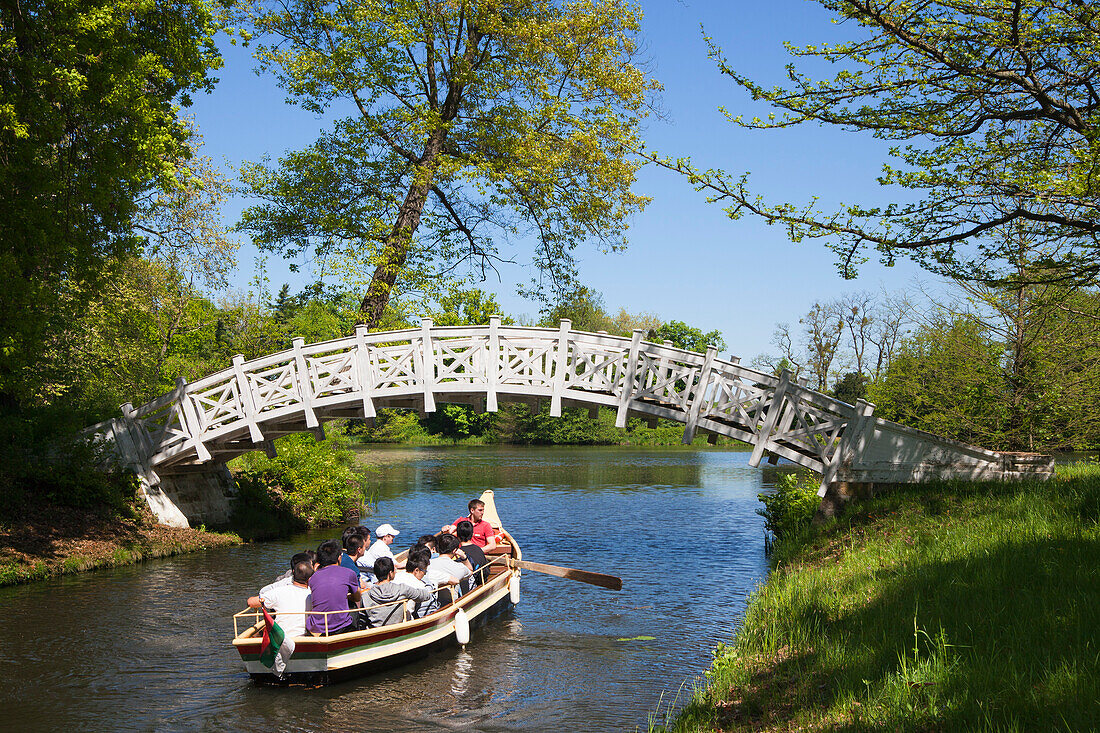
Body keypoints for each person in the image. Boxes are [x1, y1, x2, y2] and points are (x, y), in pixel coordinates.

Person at [307, 539, 363, 636]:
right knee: (354, 606)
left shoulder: (313, 578)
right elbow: (357, 597)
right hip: (341, 627)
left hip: (318, 627)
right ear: (339, 558)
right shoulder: (348, 573)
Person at [247, 558, 314, 639]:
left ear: (293, 573)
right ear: (310, 578)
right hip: (303, 638)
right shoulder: (312, 595)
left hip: (280, 638)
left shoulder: (278, 591)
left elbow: (251, 602)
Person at [365, 557, 434, 627]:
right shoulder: (402, 589)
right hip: (400, 629)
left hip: (376, 631)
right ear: (390, 573)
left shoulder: (366, 595)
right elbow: (425, 596)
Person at [427, 533, 473, 601]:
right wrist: (464, 557)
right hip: (450, 604)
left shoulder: (427, 564)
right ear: (455, 551)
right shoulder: (459, 567)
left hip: (431, 602)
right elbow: (470, 571)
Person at [455, 520, 488, 589]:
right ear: (472, 534)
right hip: (481, 583)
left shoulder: (459, 553)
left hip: (469, 588)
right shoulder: (479, 549)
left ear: (457, 536)